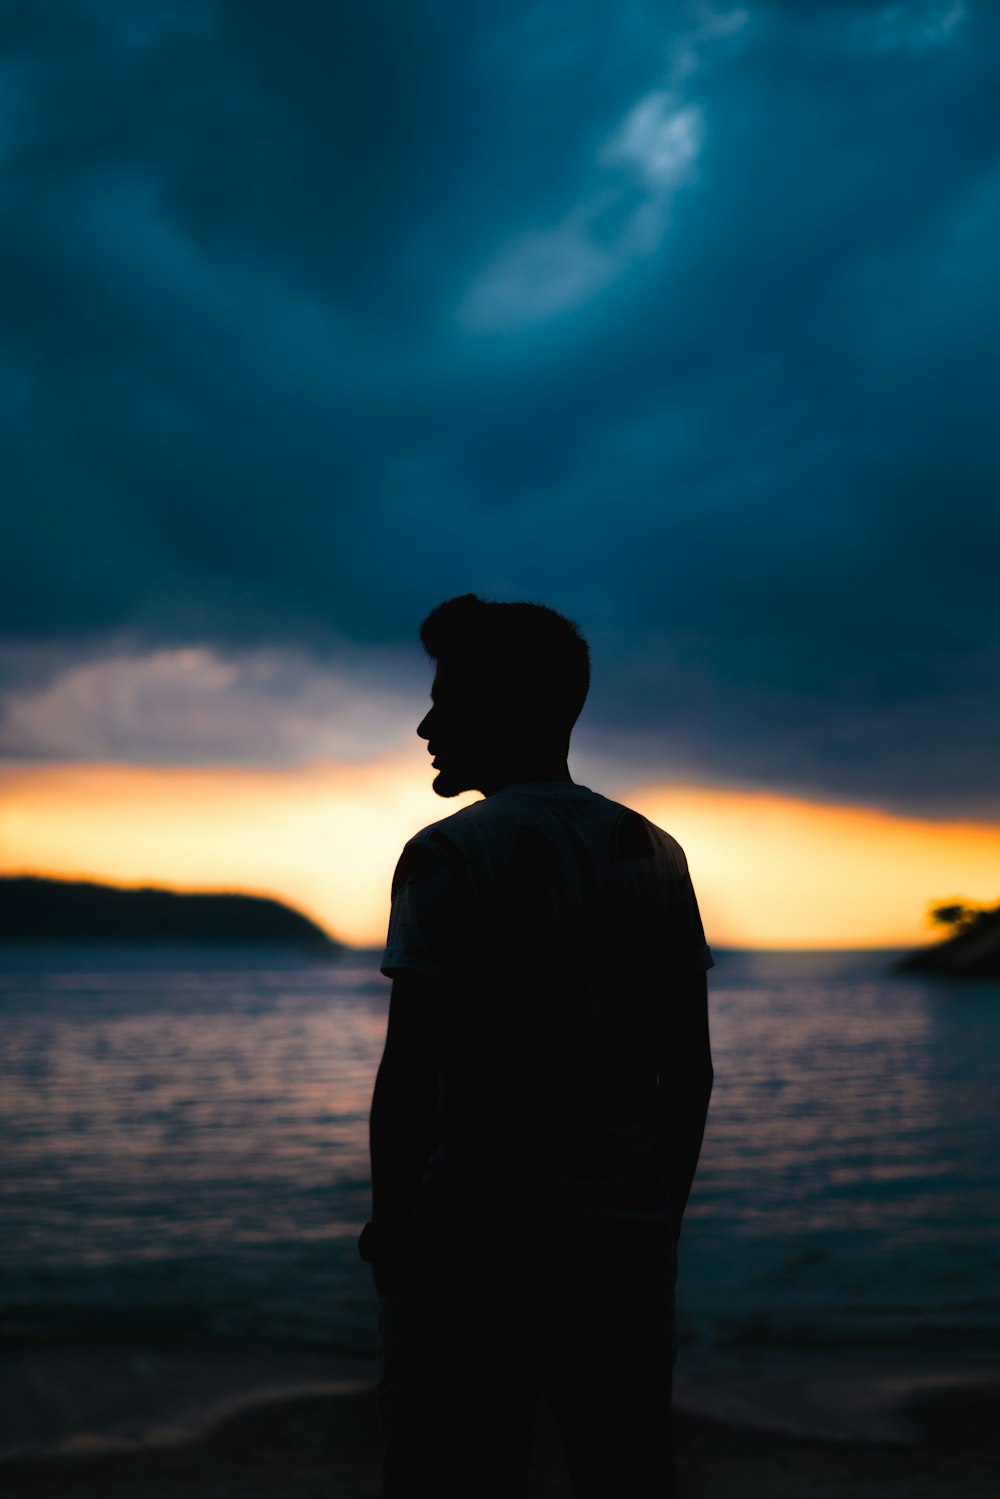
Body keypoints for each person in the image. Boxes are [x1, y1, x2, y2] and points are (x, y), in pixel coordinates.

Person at [359, 594, 714, 1498]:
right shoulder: (653, 850)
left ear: (506, 710)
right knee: (625, 1469)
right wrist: (656, 1223)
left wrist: (395, 1227)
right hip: (620, 1248)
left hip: (473, 1244)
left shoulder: (448, 855)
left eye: (449, 702)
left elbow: (412, 1071)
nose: (426, 724)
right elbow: (691, 1071)